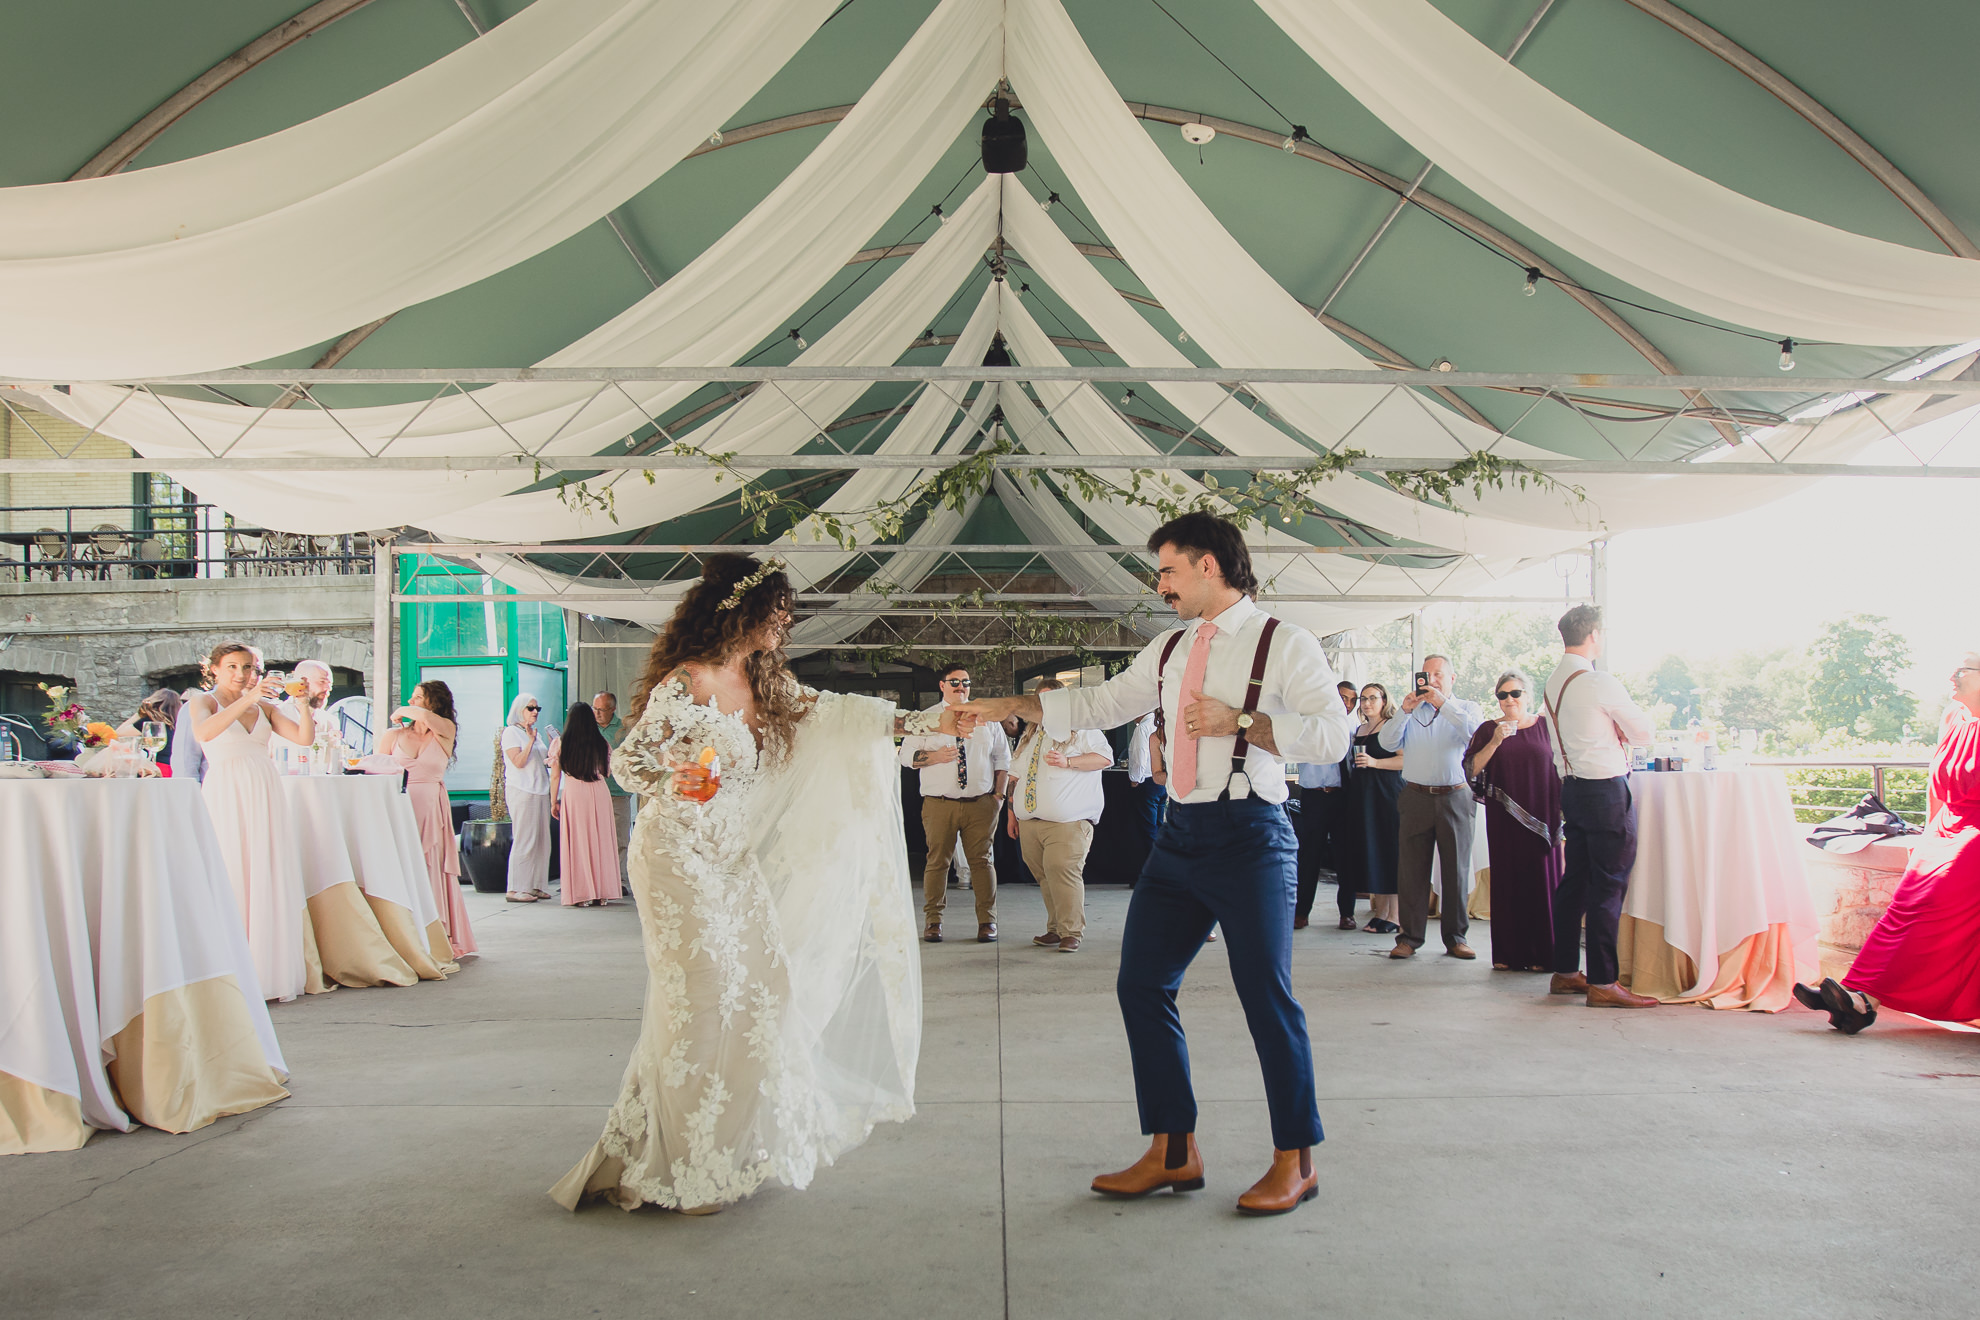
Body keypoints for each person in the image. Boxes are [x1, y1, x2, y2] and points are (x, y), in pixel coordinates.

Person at [960, 512, 1355, 1217]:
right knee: (1141, 984)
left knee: (1267, 996)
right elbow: (1101, 701)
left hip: (1252, 834)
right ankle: (1174, 1151)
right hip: (1179, 837)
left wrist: (1243, 721)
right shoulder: (1170, 649)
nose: (1159, 584)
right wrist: (1004, 704)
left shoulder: (1284, 642)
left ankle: (1296, 1160)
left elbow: (1332, 737)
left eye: (1168, 569)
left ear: (1210, 566)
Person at [551, 553, 942, 1214]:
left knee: (763, 990)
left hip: (732, 856)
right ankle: (683, 1165)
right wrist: (679, 776)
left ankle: (729, 1143)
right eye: (778, 609)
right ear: (742, 609)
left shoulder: (764, 680)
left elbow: (834, 713)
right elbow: (631, 763)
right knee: (699, 1002)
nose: (786, 621)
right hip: (674, 852)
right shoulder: (689, 678)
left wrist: (923, 722)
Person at [1795, 653, 1980, 1033]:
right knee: (1904, 907)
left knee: (1932, 904)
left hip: (1975, 833)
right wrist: (1927, 834)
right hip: (1948, 828)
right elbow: (1936, 783)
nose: (1951, 676)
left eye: (1962, 670)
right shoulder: (1954, 716)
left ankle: (1860, 999)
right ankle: (1856, 995)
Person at [1541, 605, 1657, 1009]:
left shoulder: (1553, 682)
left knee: (1575, 881)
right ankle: (1604, 980)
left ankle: (1565, 970)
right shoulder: (1598, 681)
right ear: (1593, 635)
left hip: (1571, 788)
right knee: (1609, 884)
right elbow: (1643, 734)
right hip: (1605, 790)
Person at [188, 641, 312, 1002]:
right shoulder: (203, 701)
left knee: (265, 870)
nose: (241, 674)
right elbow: (204, 733)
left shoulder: (267, 707)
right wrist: (250, 696)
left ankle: (267, 969)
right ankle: (230, 970)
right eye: (232, 666)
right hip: (226, 789)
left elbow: (304, 739)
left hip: (265, 788)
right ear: (214, 669)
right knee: (231, 869)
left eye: (248, 667)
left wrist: (303, 706)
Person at [1379, 655, 1484, 961]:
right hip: (1415, 796)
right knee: (1412, 869)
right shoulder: (1411, 711)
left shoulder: (1466, 708)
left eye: (1438, 674)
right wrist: (1404, 711)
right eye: (1427, 674)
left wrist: (1443, 705)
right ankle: (1409, 937)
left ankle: (1456, 937)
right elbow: (1387, 743)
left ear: (1452, 678)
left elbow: (1474, 736)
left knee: (1456, 869)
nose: (1432, 679)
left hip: (1456, 795)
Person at [899, 663, 1010, 943]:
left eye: (966, 683)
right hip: (940, 803)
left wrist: (998, 796)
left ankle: (988, 922)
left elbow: (1002, 758)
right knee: (937, 862)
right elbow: (905, 757)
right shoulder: (925, 719)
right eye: (955, 682)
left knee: (982, 863)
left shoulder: (985, 718)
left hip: (981, 803)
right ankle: (933, 922)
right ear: (942, 686)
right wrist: (935, 756)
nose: (961, 688)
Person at [1003, 678, 1111, 952]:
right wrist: (1012, 814)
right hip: (1030, 822)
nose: (1047, 705)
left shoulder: (1082, 726)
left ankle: (1071, 932)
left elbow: (1104, 758)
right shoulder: (1031, 733)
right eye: (1042, 699)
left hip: (1068, 822)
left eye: (1053, 699)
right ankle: (1055, 928)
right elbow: (1014, 776)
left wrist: (1069, 762)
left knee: (1062, 872)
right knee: (1045, 876)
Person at [1464, 670, 1561, 972]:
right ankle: (1509, 954)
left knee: (1541, 883)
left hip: (1543, 818)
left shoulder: (1547, 728)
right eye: (1502, 695)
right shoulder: (1487, 730)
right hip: (1504, 818)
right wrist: (1494, 741)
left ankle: (1544, 955)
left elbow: (1563, 765)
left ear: (1528, 696)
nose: (1509, 700)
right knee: (1509, 883)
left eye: (1515, 693)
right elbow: (1471, 770)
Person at [380, 679, 476, 958]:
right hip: (400, 806)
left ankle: (435, 933)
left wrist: (401, 709)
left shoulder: (445, 731)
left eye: (418, 697)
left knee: (431, 866)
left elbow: (423, 717)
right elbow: (375, 769)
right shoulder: (392, 736)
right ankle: (404, 934)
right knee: (403, 867)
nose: (411, 702)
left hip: (431, 807)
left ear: (434, 702)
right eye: (410, 698)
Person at [1292, 680, 1361, 930]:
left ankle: (1347, 913)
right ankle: (1301, 912)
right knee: (1309, 855)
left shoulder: (1355, 727)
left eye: (1353, 700)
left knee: (1345, 856)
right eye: (1343, 697)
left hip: (1343, 797)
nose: (1347, 704)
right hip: (1314, 796)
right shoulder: (1311, 723)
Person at [1343, 685, 1403, 934]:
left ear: (1384, 700)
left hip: (1387, 795)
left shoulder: (1391, 726)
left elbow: (1404, 759)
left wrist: (1375, 762)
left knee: (1390, 853)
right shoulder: (1361, 729)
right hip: (1365, 797)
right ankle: (1381, 912)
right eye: (1363, 699)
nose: (1367, 703)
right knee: (1375, 853)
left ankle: (1396, 916)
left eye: (1373, 698)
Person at [550, 701, 621, 907]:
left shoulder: (561, 743)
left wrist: (553, 801)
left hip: (574, 793)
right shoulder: (602, 742)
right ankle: (602, 892)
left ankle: (582, 894)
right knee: (601, 841)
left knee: (579, 842)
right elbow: (607, 772)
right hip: (599, 792)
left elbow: (555, 776)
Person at [502, 695, 553, 903]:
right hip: (522, 790)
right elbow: (518, 762)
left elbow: (544, 762)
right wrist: (531, 741)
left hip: (541, 789)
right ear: (519, 709)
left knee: (542, 840)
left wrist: (553, 748)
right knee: (525, 838)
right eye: (530, 708)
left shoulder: (534, 734)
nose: (535, 711)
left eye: (537, 707)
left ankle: (535, 884)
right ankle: (516, 887)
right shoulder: (512, 733)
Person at [593, 690, 634, 888]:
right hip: (592, 792)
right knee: (595, 838)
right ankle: (596, 881)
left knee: (619, 838)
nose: (597, 713)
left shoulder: (624, 730)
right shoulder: (587, 728)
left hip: (617, 792)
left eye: (602, 710)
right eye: (595, 709)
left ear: (613, 709)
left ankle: (619, 881)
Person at [116, 688, 182, 773]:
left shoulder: (149, 722)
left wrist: (138, 715)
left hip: (154, 767)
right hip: (173, 768)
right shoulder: (177, 724)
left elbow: (119, 734)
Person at [1125, 709, 1165, 843]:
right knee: (1159, 826)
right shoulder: (1158, 726)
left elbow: (1139, 757)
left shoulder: (1142, 728)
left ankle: (1149, 860)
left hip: (1147, 782)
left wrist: (1134, 779)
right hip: (1161, 782)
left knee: (1147, 828)